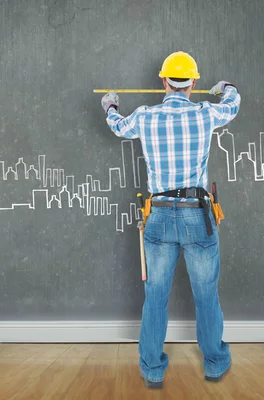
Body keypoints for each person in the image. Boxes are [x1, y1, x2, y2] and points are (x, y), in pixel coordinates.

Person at [100, 51, 241, 389]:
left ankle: (151, 370)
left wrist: (110, 105)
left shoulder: (146, 117)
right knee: (206, 294)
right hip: (197, 215)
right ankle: (215, 363)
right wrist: (226, 87)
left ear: (163, 81)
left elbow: (118, 128)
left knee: (156, 296)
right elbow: (233, 105)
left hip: (159, 216)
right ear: (193, 83)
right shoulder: (206, 114)